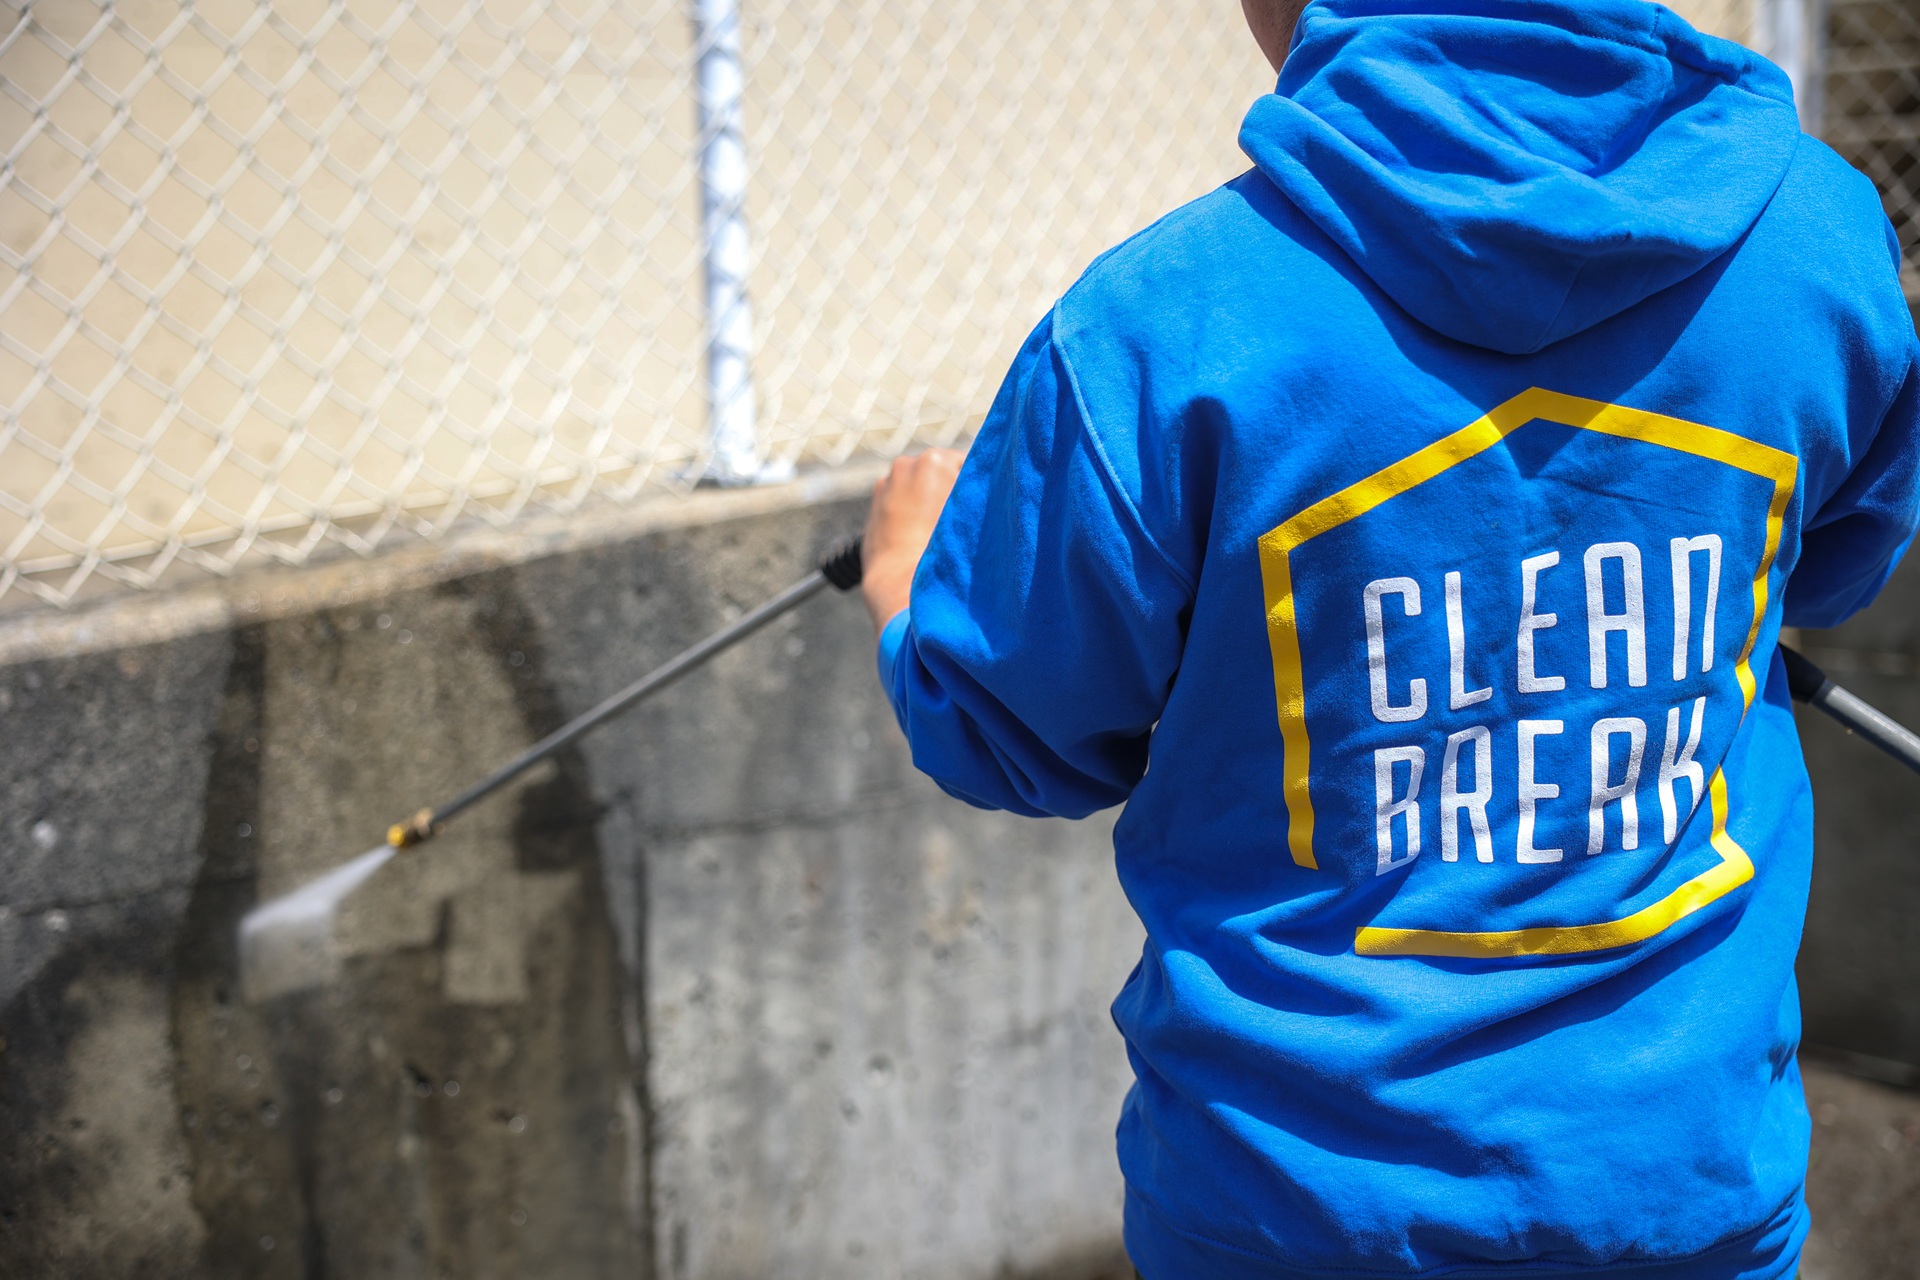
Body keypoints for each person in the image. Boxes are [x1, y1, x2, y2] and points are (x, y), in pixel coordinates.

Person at [859, 1, 1920, 1278]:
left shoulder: (1161, 323)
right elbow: (1839, 557)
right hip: (1688, 1183)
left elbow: (1004, 732)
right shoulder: (1820, 239)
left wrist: (909, 585)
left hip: (1291, 1208)